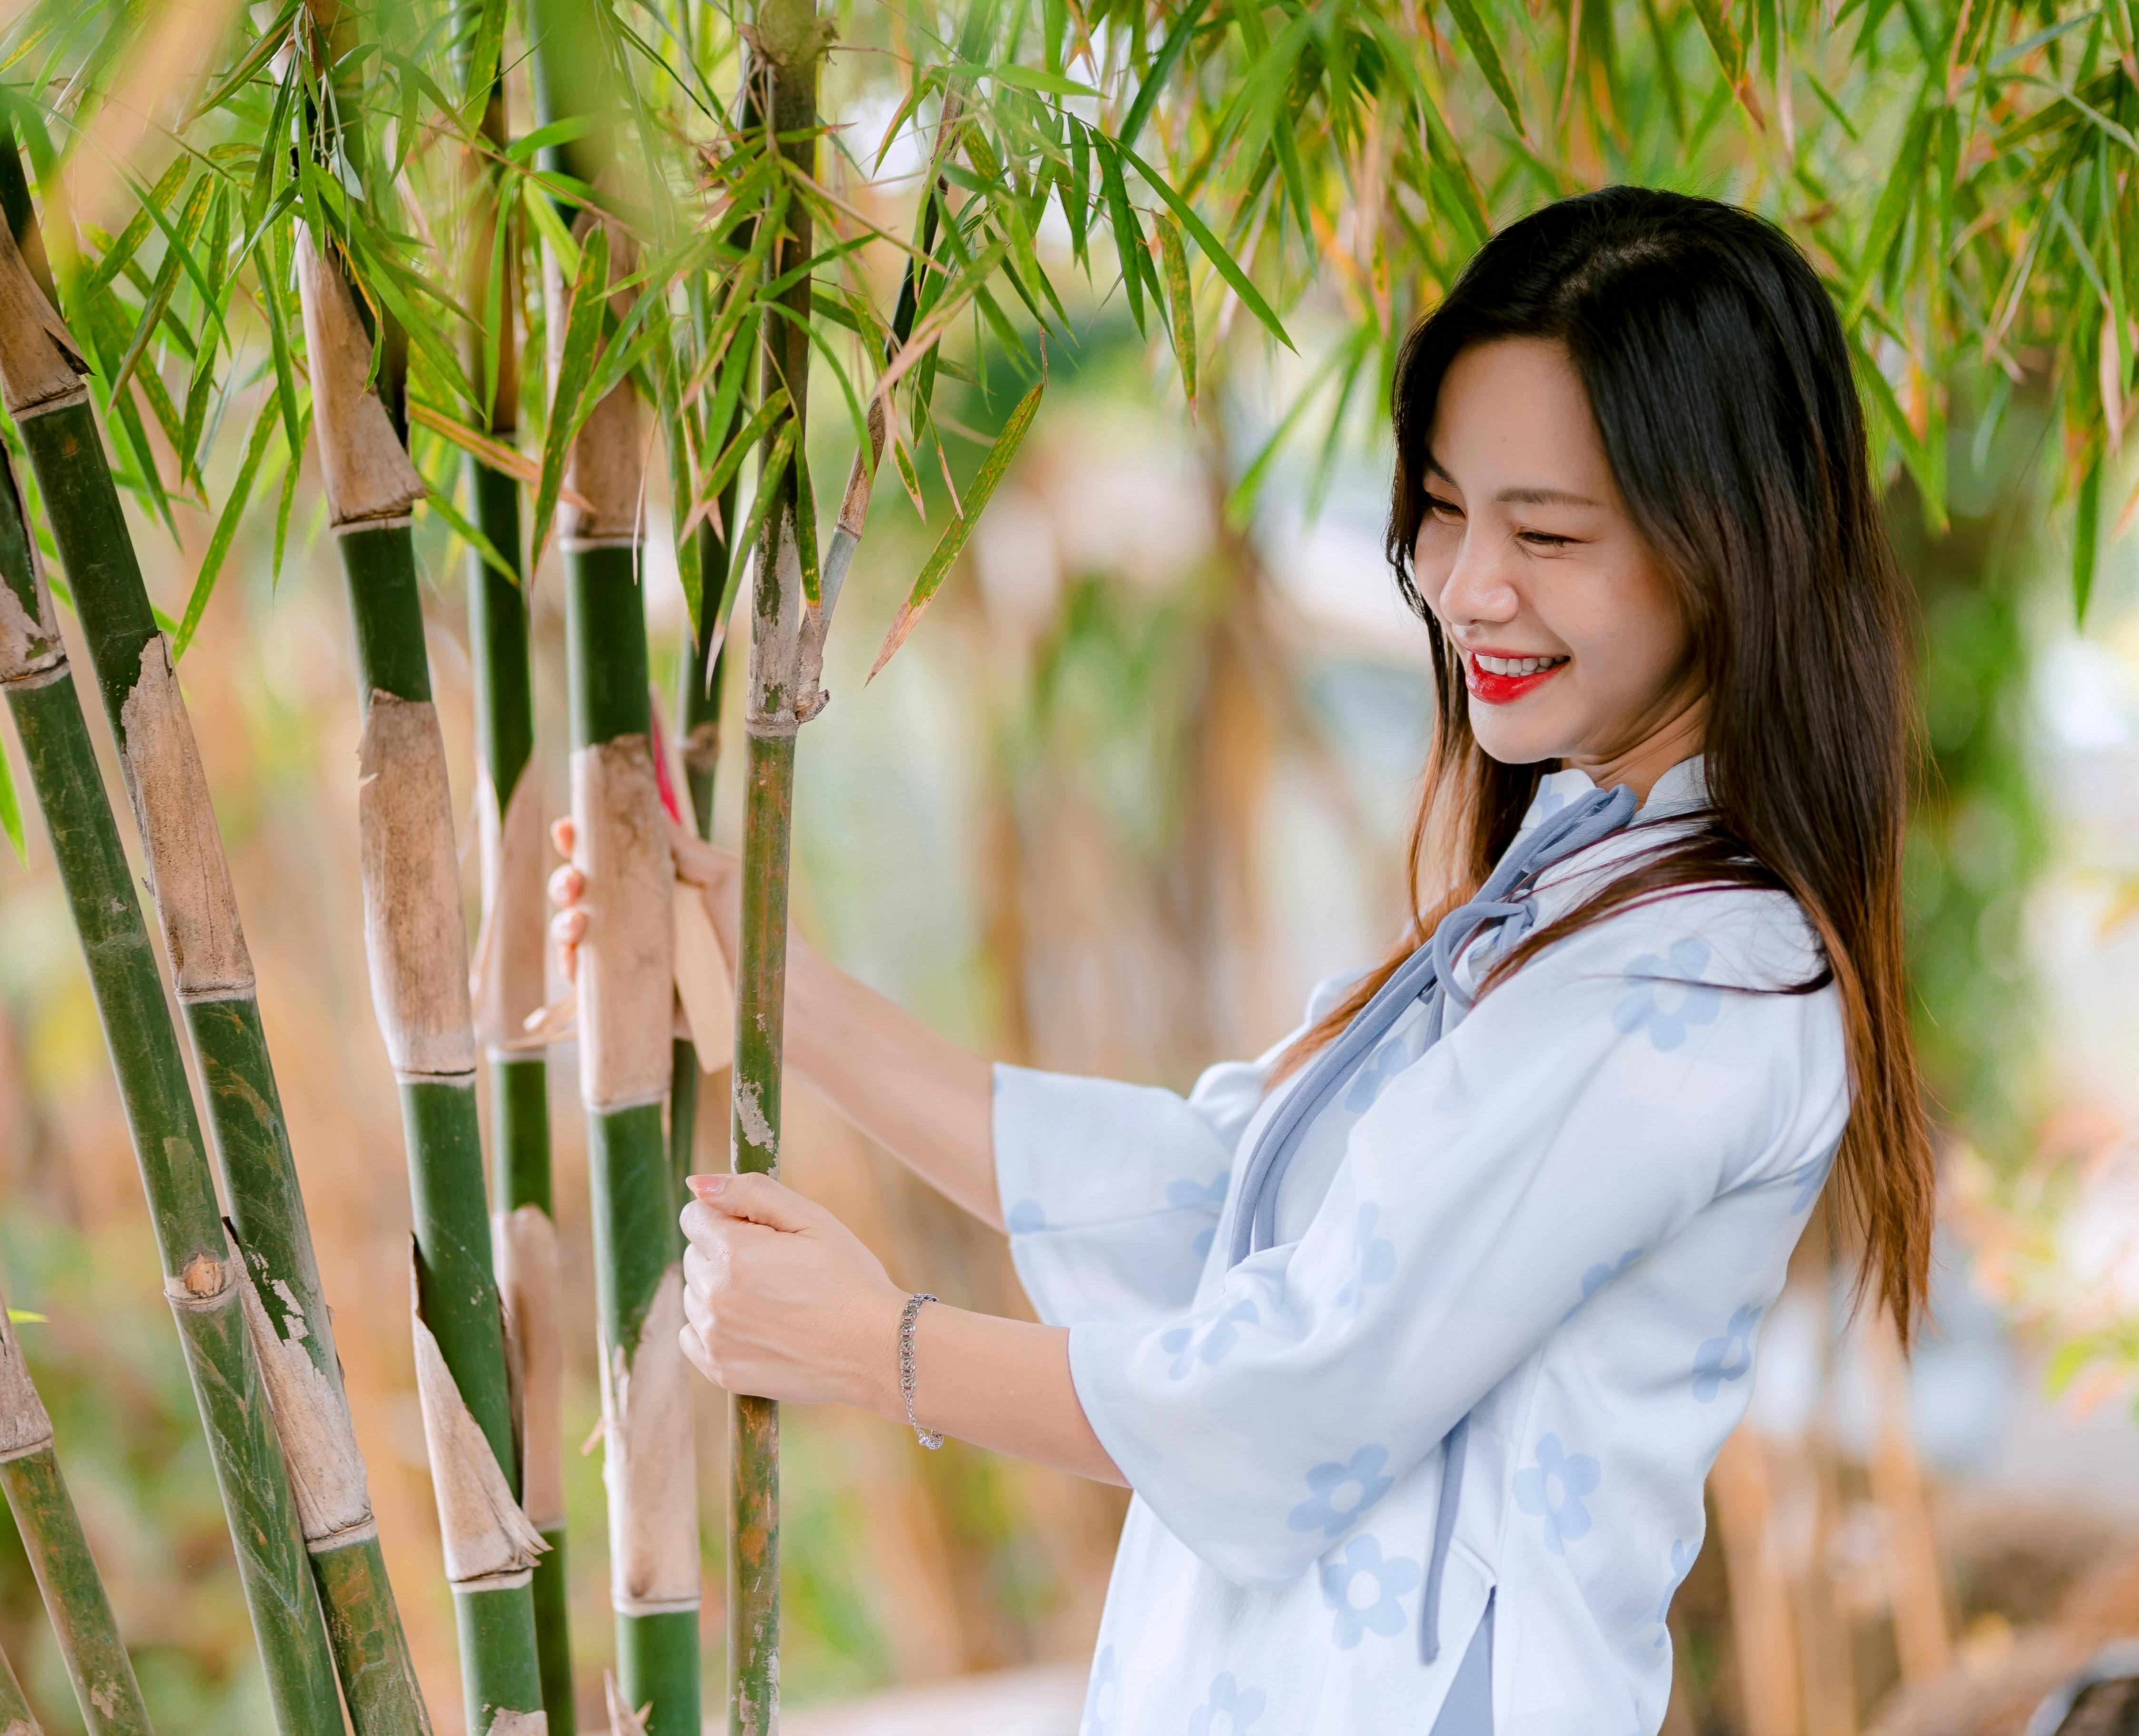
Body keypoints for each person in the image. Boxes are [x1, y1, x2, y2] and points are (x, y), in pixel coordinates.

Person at [548, 186, 1929, 1735]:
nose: (1469, 583)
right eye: (1448, 505)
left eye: (1547, 532)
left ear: (1728, 551)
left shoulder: (1700, 990)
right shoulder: (1567, 899)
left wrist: (886, 1354)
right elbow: (1219, 1203)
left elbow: (1294, 1391)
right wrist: (765, 988)